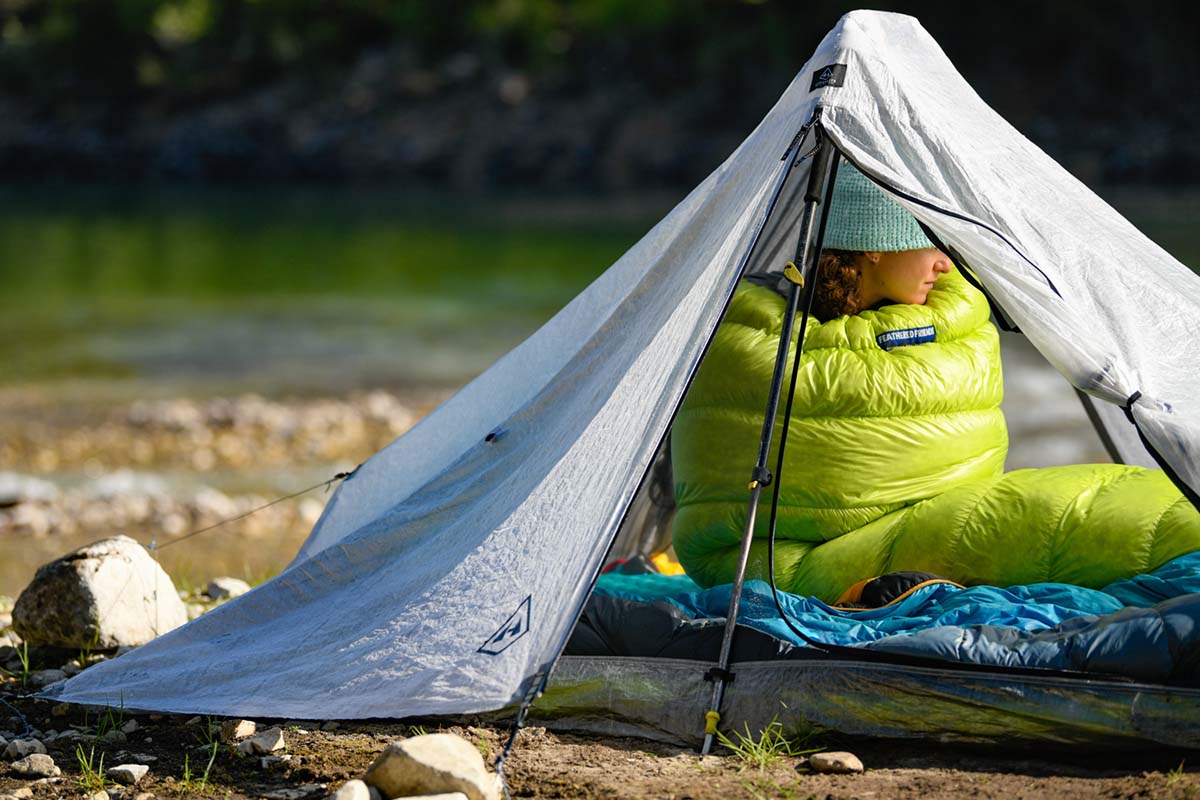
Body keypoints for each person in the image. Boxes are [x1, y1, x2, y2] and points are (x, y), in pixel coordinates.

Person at [670, 164, 1200, 603]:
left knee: (1113, 498)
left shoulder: (946, 321)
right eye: (927, 243)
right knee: (1066, 521)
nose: (945, 264)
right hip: (780, 559)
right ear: (872, 247)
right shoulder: (756, 343)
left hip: (939, 511)